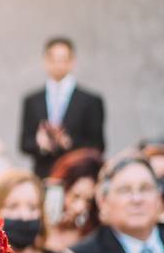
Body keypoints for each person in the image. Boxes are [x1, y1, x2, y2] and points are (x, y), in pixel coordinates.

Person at [20, 37, 105, 178]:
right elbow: (24, 143)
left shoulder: (91, 100)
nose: (58, 64)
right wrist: (41, 145)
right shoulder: (32, 100)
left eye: (63, 59)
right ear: (45, 61)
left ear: (72, 61)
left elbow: (98, 145)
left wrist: (68, 143)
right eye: (53, 59)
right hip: (43, 174)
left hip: (77, 176)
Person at [44, 148, 104, 252]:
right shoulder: (40, 225)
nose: (80, 208)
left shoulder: (92, 235)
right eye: (75, 196)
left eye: (89, 201)